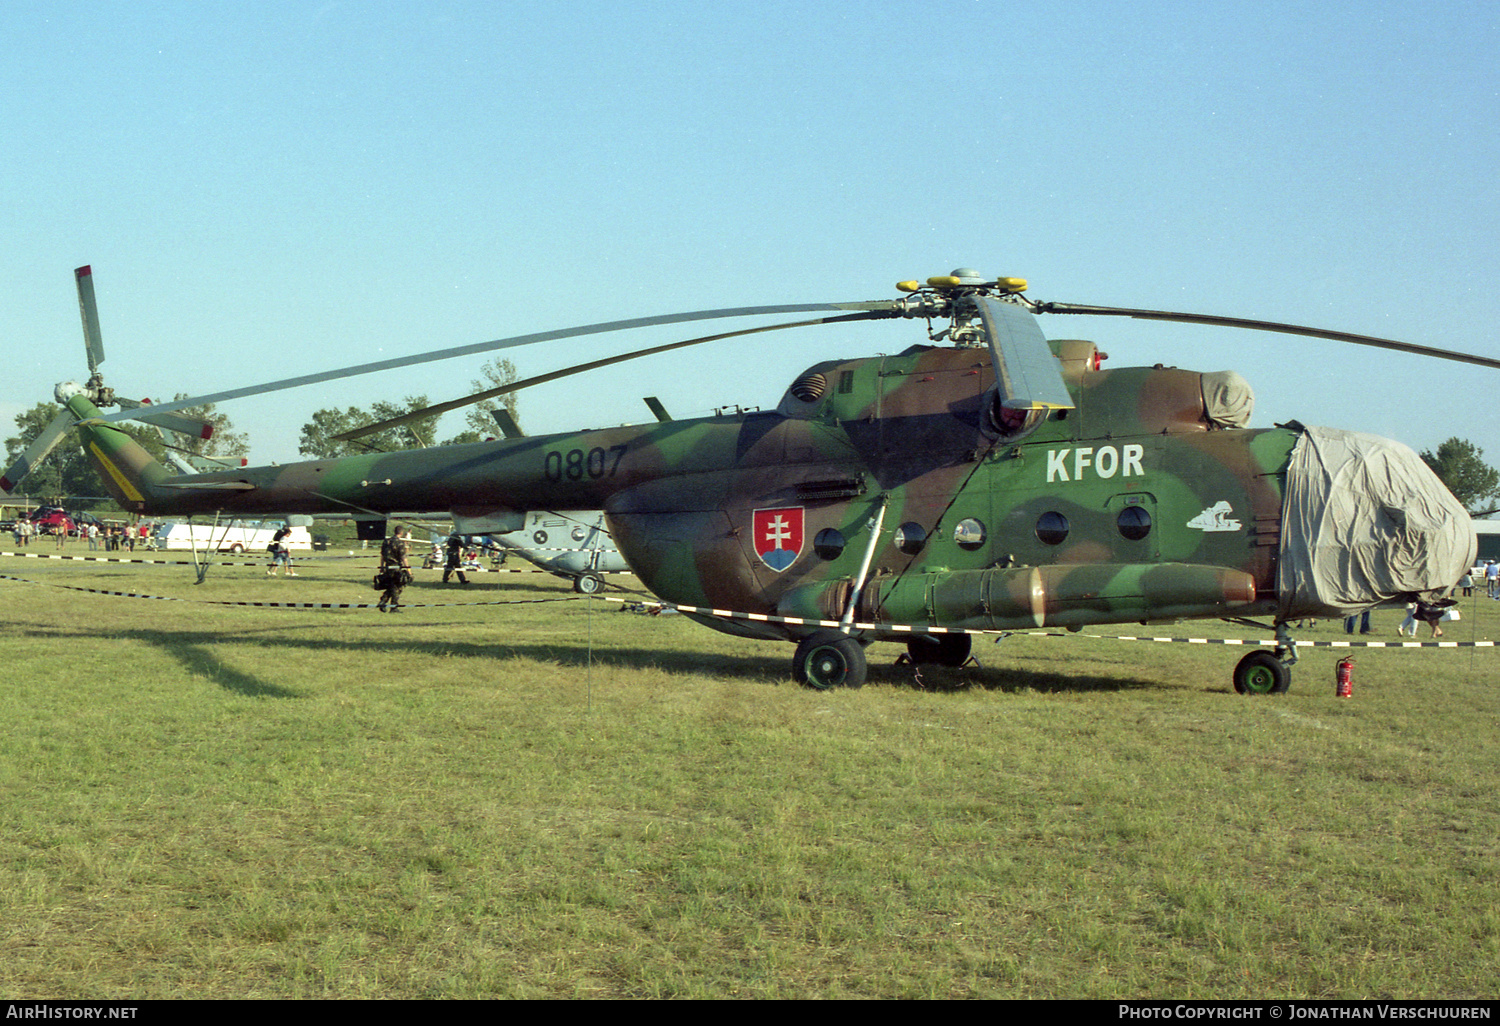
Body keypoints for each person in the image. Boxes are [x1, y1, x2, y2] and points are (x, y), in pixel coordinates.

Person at [377, 526, 412, 612]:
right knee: (397, 587)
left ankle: (383, 601)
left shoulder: (387, 542)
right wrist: (408, 570)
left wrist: (381, 566)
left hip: (387, 567)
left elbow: (382, 555)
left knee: (391, 586)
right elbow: (403, 557)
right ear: (401, 533)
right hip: (396, 568)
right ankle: (393, 607)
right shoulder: (399, 543)